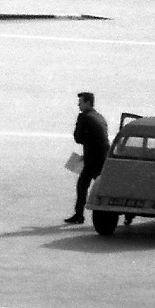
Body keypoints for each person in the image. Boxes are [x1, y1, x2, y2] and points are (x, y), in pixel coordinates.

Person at [67, 91, 109, 224]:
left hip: (92, 159)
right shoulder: (99, 116)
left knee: (83, 185)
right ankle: (101, 214)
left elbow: (78, 138)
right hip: (102, 157)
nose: (78, 105)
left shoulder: (85, 117)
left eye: (80, 102)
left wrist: (78, 124)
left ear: (87, 103)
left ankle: (80, 215)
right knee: (99, 185)